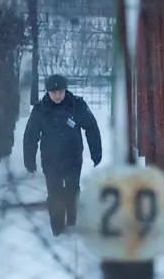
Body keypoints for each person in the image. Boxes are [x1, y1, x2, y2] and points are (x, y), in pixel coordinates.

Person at [23, 74, 104, 235]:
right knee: (54, 193)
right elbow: (30, 136)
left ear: (66, 90)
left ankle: (72, 219)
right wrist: (29, 159)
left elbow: (91, 127)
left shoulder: (76, 105)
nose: (58, 96)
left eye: (61, 91)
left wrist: (96, 152)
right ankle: (57, 226)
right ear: (47, 92)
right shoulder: (41, 110)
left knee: (72, 189)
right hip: (50, 159)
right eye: (54, 92)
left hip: (73, 157)